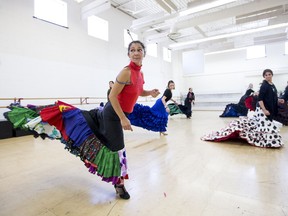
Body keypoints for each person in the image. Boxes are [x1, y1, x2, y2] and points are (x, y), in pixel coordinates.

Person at [4, 40, 160, 200]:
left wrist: (150, 93)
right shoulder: (126, 72)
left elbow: (138, 91)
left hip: (118, 114)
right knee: (118, 149)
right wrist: (122, 118)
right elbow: (113, 95)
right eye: (132, 50)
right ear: (128, 54)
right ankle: (119, 185)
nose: (135, 52)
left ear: (144, 53)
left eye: (139, 50)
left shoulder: (140, 74)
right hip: (112, 114)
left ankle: (118, 183)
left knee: (116, 149)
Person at [201, 69, 284, 148]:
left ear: (272, 75)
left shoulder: (272, 85)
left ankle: (269, 141)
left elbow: (272, 96)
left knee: (265, 125)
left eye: (269, 74)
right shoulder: (264, 85)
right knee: (265, 126)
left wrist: (279, 99)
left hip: (270, 108)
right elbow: (260, 99)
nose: (268, 76)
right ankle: (266, 141)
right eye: (266, 75)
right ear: (264, 76)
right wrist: (264, 110)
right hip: (263, 110)